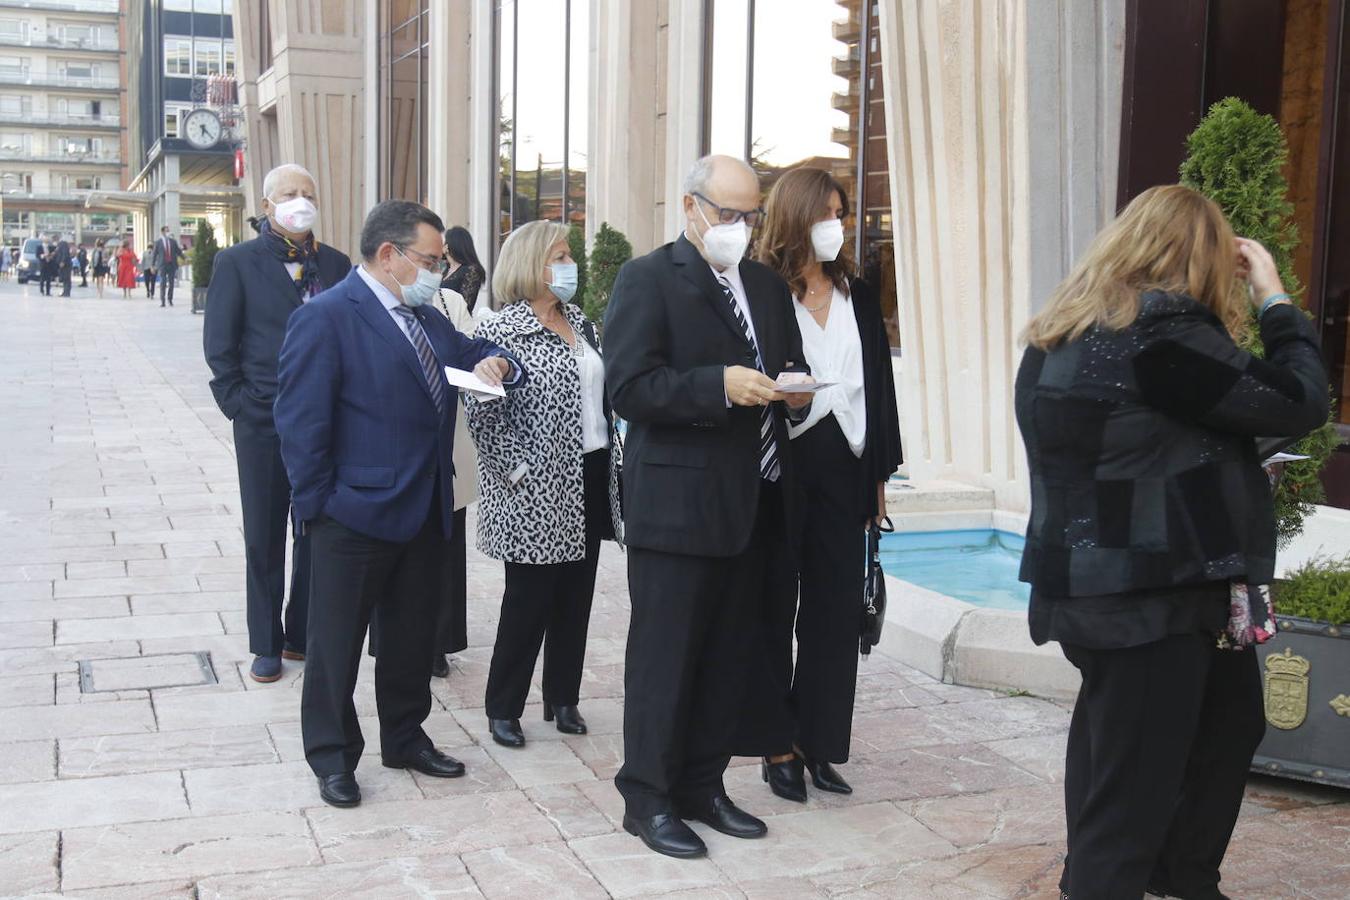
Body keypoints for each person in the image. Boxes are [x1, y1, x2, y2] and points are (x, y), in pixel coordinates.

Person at [1014, 185, 1329, 899]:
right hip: (1146, 595)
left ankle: (1182, 875)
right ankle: (1105, 883)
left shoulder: (1061, 331)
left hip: (1104, 583)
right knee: (1131, 782)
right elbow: (1301, 400)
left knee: (1218, 724)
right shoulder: (1163, 335)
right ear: (1206, 261)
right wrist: (1276, 300)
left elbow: (1124, 449)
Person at [274, 199, 527, 810]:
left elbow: (470, 352)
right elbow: (299, 427)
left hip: (424, 510)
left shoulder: (426, 318)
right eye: (431, 260)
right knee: (334, 647)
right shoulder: (328, 318)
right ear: (389, 255)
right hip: (351, 518)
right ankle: (332, 757)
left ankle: (405, 736)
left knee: (412, 639)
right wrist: (322, 509)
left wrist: (499, 361)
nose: (440, 271)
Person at [604, 155, 813, 860]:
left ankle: (702, 785)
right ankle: (649, 798)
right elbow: (630, 389)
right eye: (727, 214)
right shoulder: (648, 278)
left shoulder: (764, 285)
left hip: (754, 501)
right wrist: (716, 385)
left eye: (750, 215)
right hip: (679, 506)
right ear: (690, 206)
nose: (740, 228)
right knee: (666, 661)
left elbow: (780, 368)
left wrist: (796, 392)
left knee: (728, 657)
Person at [754, 167, 903, 801]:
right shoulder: (761, 292)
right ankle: (776, 742)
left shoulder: (859, 295)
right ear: (796, 218)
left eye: (842, 215)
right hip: (783, 467)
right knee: (771, 610)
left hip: (847, 463)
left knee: (835, 615)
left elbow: (881, 389)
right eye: (827, 215)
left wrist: (878, 478)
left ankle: (819, 741)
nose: (837, 227)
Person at [464, 220, 623, 750]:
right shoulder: (503, 331)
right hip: (535, 486)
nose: (569, 265)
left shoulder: (581, 321)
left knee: (576, 596)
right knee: (528, 601)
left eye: (569, 255)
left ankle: (563, 697)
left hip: (591, 471)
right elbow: (482, 412)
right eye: (559, 255)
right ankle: (503, 707)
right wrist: (517, 471)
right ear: (532, 262)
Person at [204, 163, 352, 684]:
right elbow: (220, 347)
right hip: (262, 420)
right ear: (267, 206)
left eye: (308, 193)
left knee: (315, 530)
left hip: (325, 424)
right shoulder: (238, 262)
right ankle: (265, 641)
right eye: (289, 193)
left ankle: (298, 633)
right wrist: (239, 405)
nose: (300, 201)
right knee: (264, 533)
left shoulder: (336, 264)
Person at [441, 225, 486, 310]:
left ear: (448, 246)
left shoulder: (471, 270)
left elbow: (466, 305)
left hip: (456, 320)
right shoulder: (446, 270)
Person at [153, 226, 183, 307]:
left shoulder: (173, 241)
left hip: (171, 264)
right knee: (163, 282)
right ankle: (162, 301)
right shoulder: (158, 242)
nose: (168, 232)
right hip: (162, 265)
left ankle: (170, 299)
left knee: (171, 282)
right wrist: (152, 265)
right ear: (162, 232)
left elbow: (178, 251)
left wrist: (184, 258)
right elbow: (155, 254)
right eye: (166, 231)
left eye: (168, 231)